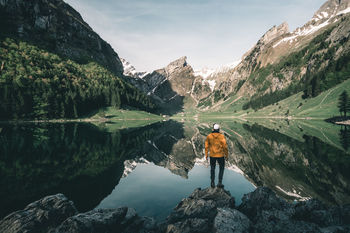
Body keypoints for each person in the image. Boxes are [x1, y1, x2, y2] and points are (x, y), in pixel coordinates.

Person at [205, 123, 228, 188]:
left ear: (213, 129)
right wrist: (226, 155)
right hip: (220, 155)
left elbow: (206, 147)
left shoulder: (209, 136)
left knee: (212, 168)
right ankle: (219, 182)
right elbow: (225, 147)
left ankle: (212, 182)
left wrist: (206, 155)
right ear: (219, 129)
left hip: (212, 155)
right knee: (221, 168)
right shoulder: (221, 136)